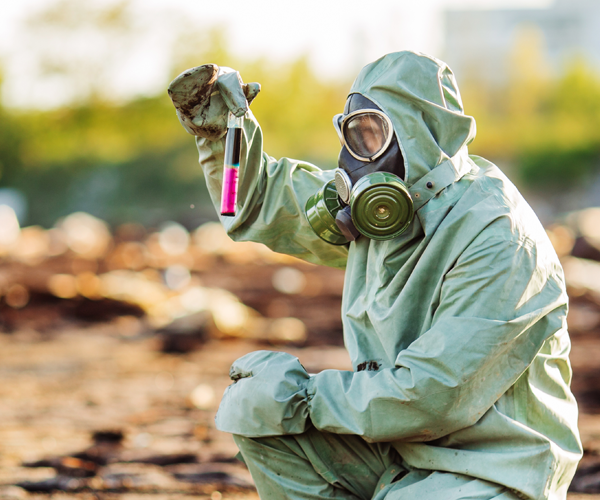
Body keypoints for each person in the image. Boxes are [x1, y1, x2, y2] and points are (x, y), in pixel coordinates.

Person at [168, 51, 582, 500]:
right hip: (400, 449)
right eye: (350, 134)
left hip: (492, 467)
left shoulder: (501, 241)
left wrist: (304, 397)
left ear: (420, 133)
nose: (353, 160)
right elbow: (247, 204)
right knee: (255, 407)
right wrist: (225, 133)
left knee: (283, 402)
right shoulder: (380, 213)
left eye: (372, 135)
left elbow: (431, 397)